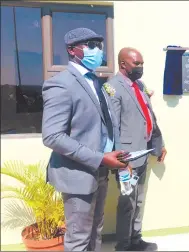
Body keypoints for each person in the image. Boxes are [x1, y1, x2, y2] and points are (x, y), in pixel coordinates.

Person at [42, 28, 130, 251]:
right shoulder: (61, 84)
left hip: (101, 171)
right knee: (79, 238)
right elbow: (53, 136)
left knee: (95, 232)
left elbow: (107, 124)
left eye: (99, 45)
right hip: (78, 174)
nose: (97, 50)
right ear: (72, 50)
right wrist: (100, 158)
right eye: (91, 45)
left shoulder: (99, 83)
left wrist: (119, 155)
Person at [107, 47, 167, 251]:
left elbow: (149, 117)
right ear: (123, 64)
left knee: (138, 200)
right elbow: (113, 125)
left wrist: (160, 143)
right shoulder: (113, 87)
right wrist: (121, 160)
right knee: (127, 203)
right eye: (137, 63)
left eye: (142, 63)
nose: (141, 67)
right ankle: (123, 246)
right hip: (127, 158)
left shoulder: (139, 85)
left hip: (143, 153)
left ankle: (136, 239)